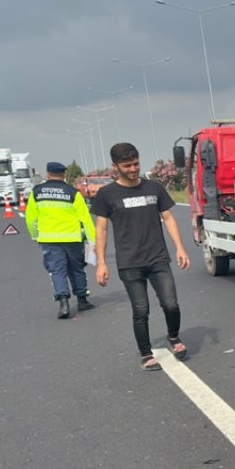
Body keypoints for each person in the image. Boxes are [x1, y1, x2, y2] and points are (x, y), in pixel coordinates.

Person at [92, 143, 191, 371]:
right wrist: (101, 263)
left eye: (136, 163)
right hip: (129, 262)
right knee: (141, 310)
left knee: (171, 304)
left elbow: (168, 218)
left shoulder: (154, 188)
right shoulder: (107, 195)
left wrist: (180, 248)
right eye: (127, 165)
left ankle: (174, 337)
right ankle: (146, 354)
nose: (133, 169)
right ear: (115, 166)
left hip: (158, 258)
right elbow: (101, 229)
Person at [26, 161, 97, 318]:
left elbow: (30, 219)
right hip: (72, 239)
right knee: (76, 269)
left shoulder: (36, 192)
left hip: (49, 239)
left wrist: (34, 235)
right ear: (64, 175)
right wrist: (92, 241)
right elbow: (86, 219)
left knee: (57, 270)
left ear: (47, 174)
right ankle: (82, 300)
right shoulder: (73, 193)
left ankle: (63, 303)